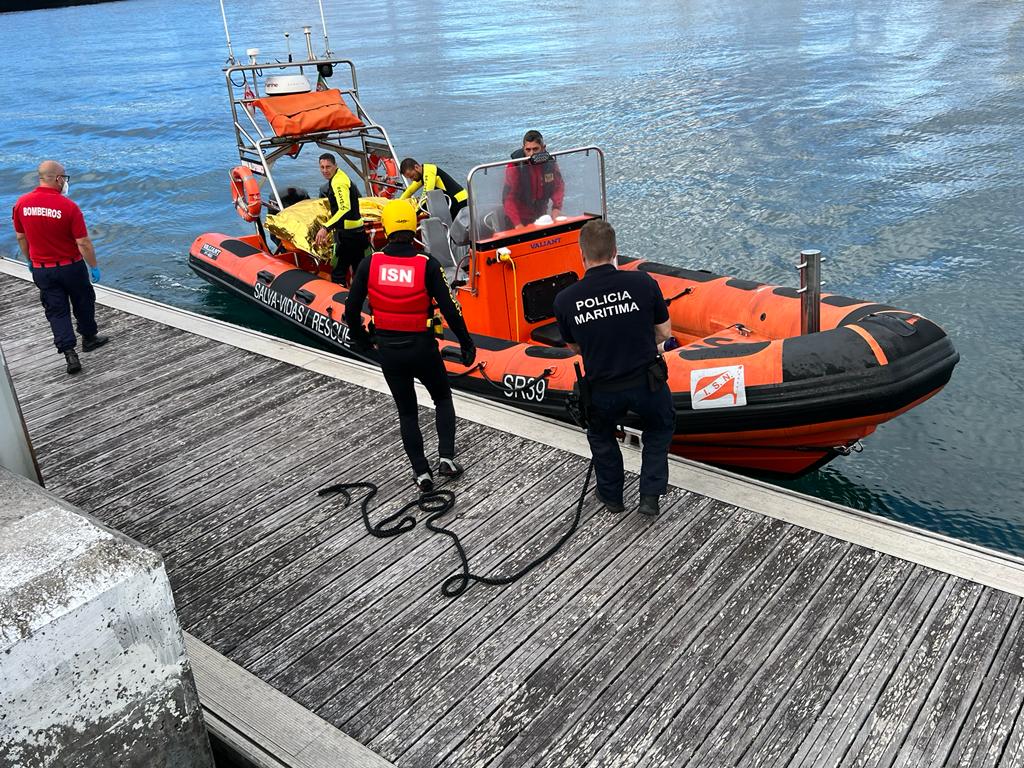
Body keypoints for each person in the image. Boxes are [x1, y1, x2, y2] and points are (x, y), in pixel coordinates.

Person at [344, 198, 477, 492]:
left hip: (390, 352)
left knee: (407, 412)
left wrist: (363, 339)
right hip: (423, 348)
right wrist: (466, 343)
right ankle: (446, 458)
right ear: (414, 226)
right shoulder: (427, 264)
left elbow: (351, 309)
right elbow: (450, 307)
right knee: (442, 399)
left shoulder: (370, 263)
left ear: (387, 228)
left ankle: (421, 473)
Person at [553, 219, 675, 516]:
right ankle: (650, 495)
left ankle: (612, 497)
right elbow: (664, 333)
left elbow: (575, 347)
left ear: (582, 254)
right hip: (647, 382)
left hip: (602, 388)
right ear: (615, 251)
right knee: (660, 426)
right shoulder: (643, 283)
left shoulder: (565, 300)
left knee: (600, 435)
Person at [12, 160, 108, 375]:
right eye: (65, 177)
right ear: (58, 179)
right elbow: (83, 243)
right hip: (71, 266)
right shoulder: (68, 207)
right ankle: (89, 338)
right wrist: (93, 266)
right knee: (83, 301)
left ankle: (69, 353)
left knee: (56, 310)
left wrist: (30, 260)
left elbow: (21, 237)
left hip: (42, 269)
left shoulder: (22, 204)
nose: (65, 181)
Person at [314, 153, 370, 287]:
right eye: (322, 167)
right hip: (357, 232)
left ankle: (340, 297)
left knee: (338, 272)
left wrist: (325, 228)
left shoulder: (338, 182)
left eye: (328, 167)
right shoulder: (339, 176)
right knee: (359, 269)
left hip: (348, 236)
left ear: (335, 165)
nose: (325, 170)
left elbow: (344, 208)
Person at [503, 130, 565, 229]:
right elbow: (508, 198)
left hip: (541, 216)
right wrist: (517, 224)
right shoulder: (515, 166)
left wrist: (556, 208)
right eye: (528, 150)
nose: (531, 154)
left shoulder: (550, 164)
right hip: (519, 218)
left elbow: (558, 187)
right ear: (523, 148)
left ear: (543, 148)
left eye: (535, 149)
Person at [398, 158, 468, 221]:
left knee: (454, 228)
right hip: (450, 200)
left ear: (416, 167)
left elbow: (426, 196)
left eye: (412, 176)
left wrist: (415, 213)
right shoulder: (422, 174)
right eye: (410, 178)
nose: (412, 179)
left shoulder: (429, 171)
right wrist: (397, 203)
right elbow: (409, 191)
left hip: (459, 200)